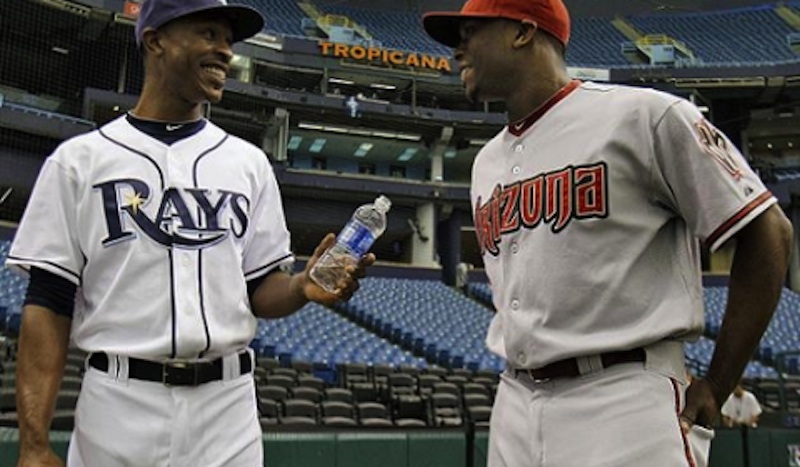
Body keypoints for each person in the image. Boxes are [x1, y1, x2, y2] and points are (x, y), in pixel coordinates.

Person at [422, 0, 793, 466]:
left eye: (470, 33)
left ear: (522, 32)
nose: (458, 50)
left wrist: (718, 384)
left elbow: (769, 231)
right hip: (515, 400)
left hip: (624, 395)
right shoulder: (485, 163)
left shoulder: (645, 116)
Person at [6, 1, 374, 466]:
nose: (225, 51)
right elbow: (48, 303)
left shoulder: (248, 164)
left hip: (228, 410)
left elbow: (260, 289)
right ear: (155, 40)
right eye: (208, 34)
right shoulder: (79, 161)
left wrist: (301, 285)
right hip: (118, 404)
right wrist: (34, 444)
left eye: (228, 41)